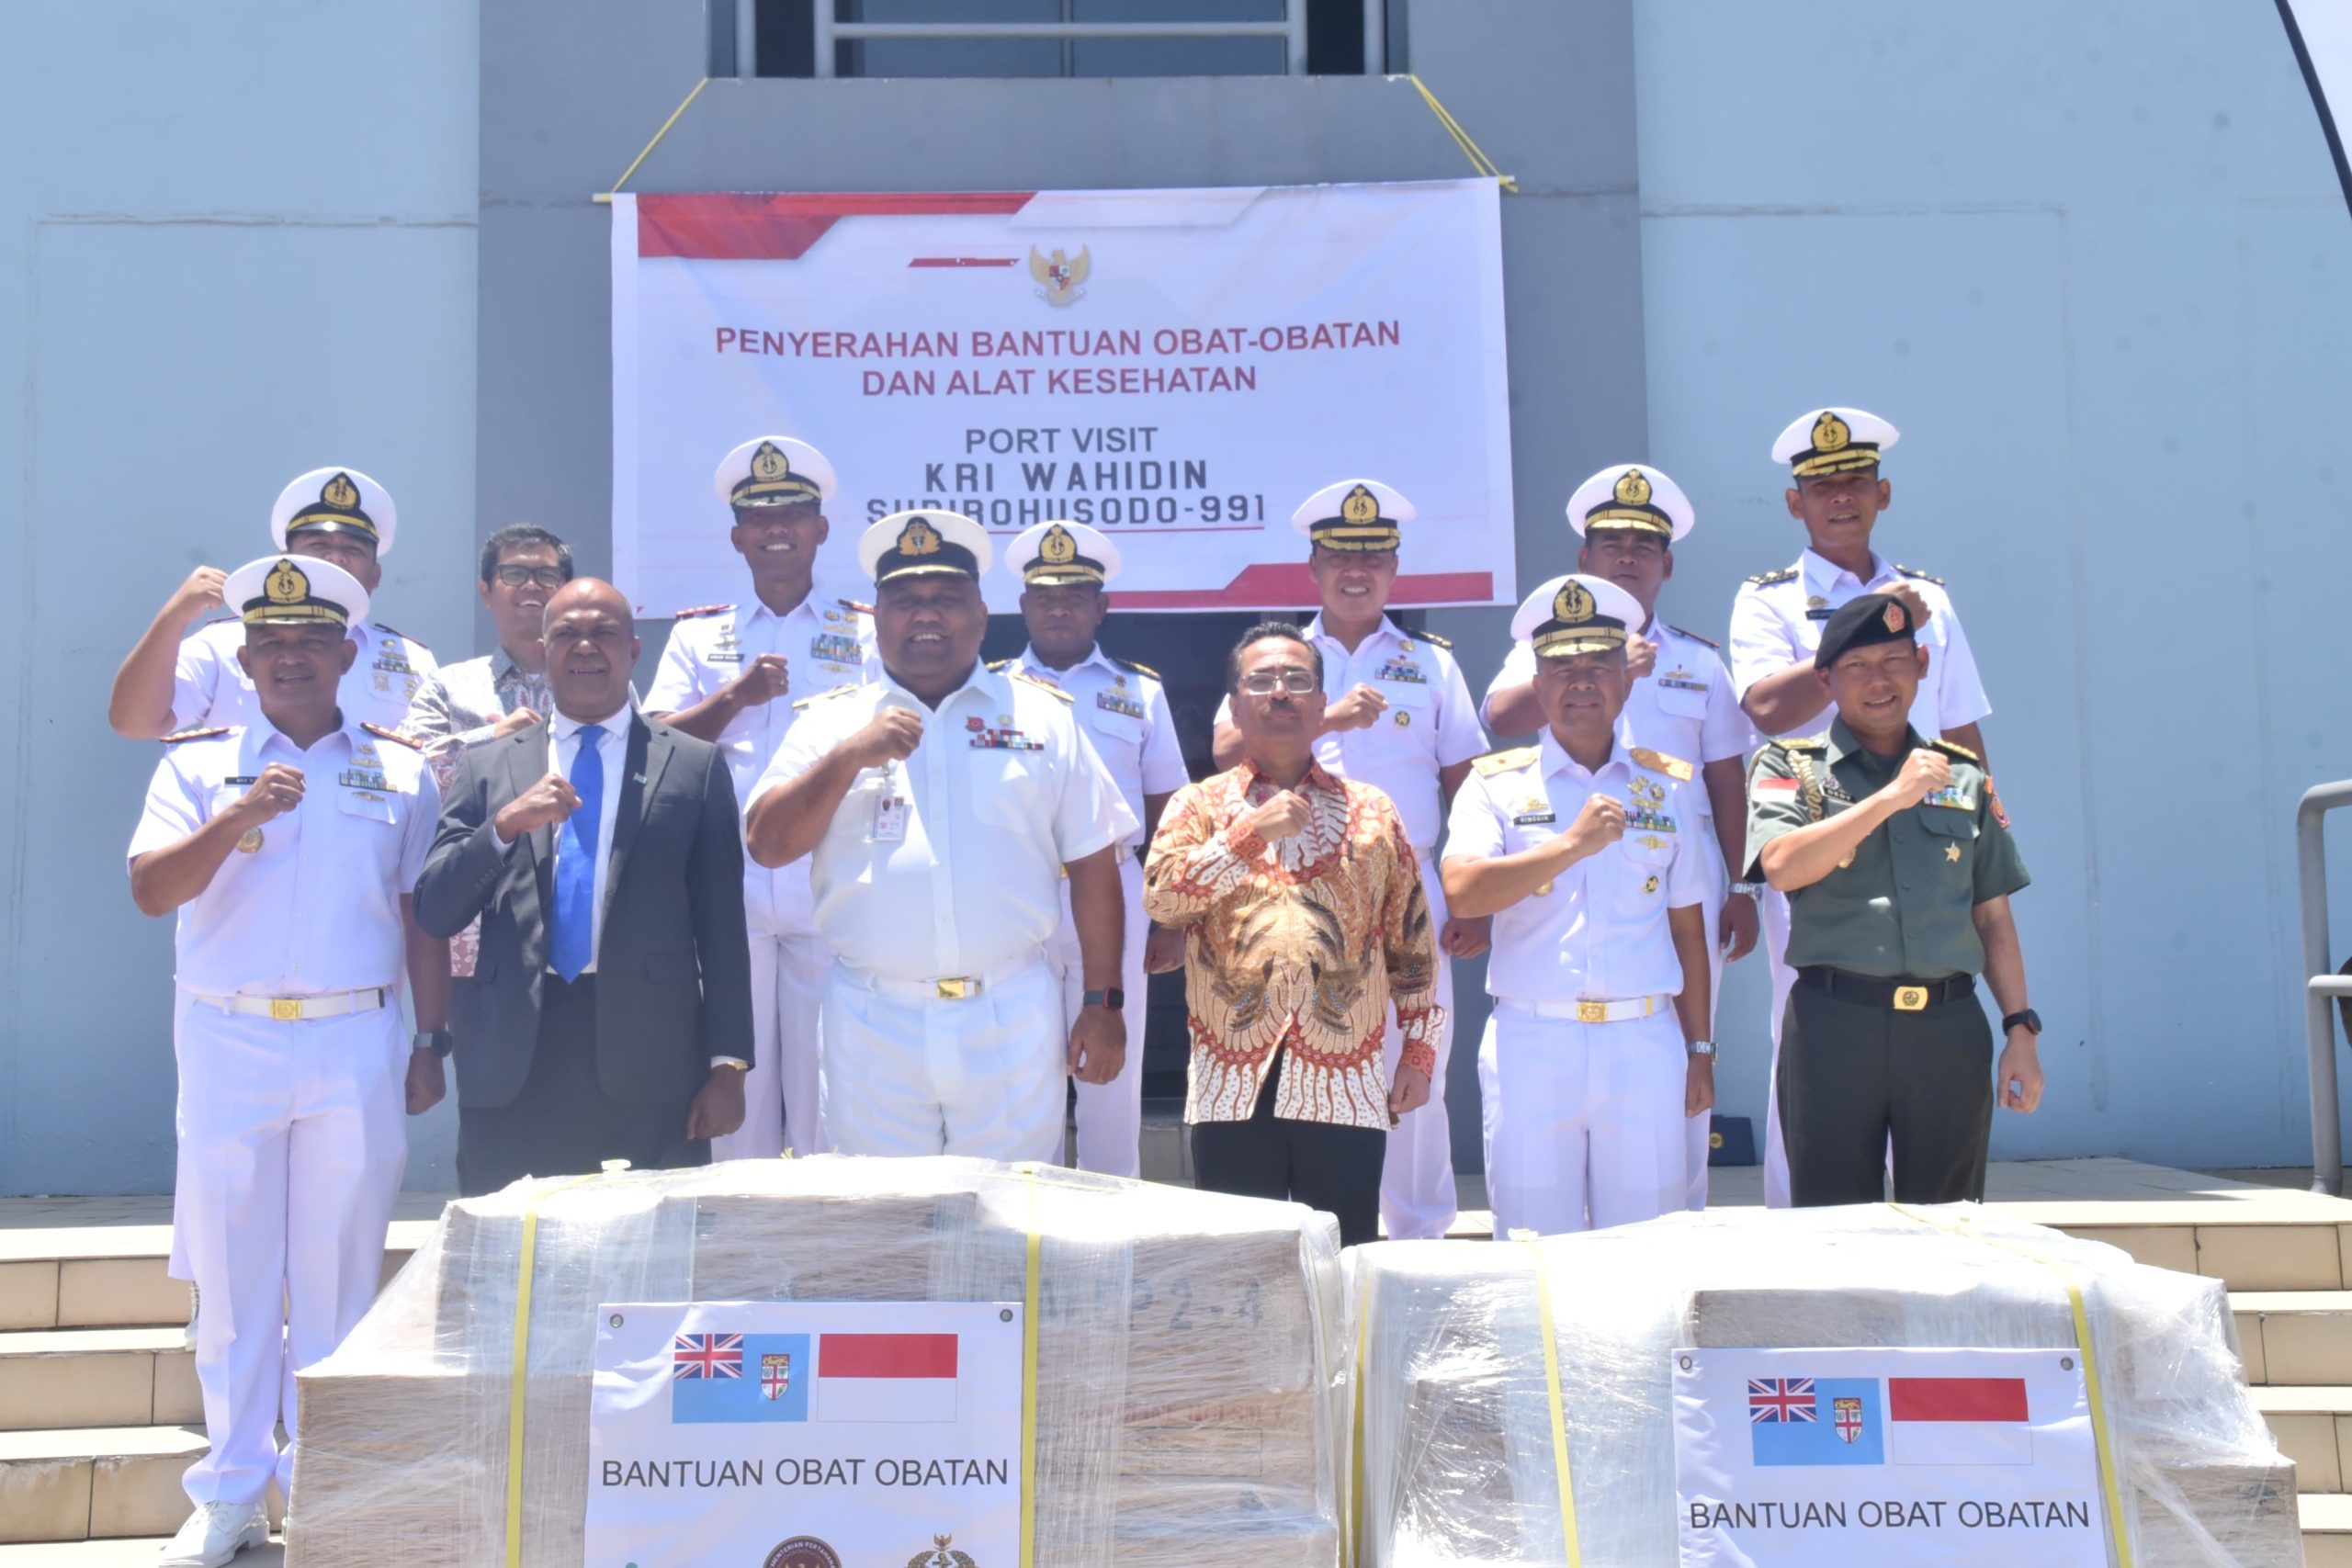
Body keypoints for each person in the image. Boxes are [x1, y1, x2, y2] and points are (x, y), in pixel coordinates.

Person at [127, 555, 448, 1567]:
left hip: (356, 1034)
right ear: (245, 658)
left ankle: (321, 1489)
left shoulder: (403, 769)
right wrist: (238, 817)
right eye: (270, 642)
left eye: (310, 641)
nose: (290, 657)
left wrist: (430, 1040)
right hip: (230, 1035)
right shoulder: (195, 764)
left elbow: (422, 918)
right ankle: (229, 1491)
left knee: (339, 1278)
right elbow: (151, 891)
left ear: (348, 653)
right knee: (232, 1280)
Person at [742, 511, 1134, 1160]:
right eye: (905, 601)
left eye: (946, 598)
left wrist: (1103, 1001)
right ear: (876, 619)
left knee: (1012, 1211)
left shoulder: (1041, 717)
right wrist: (847, 759)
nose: (926, 615)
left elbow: (1094, 863)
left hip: (1010, 1013)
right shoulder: (830, 724)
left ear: (980, 616)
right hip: (873, 1020)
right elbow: (767, 843)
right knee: (885, 1214)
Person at [1727, 408, 1995, 1207]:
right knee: (1810, 1034)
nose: (1839, 497)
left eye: (1854, 481)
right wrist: (1864, 635)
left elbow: (1960, 724)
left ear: (1883, 492)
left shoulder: (1931, 597)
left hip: (1931, 835)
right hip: (1823, 837)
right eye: (1821, 486)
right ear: (1794, 503)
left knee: (1934, 1026)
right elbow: (1766, 709)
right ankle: (1801, 1225)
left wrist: (1985, 821)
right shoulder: (1769, 599)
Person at [1207, 479, 1486, 1240]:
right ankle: (1314, 1230)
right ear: (1313, 567)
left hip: (1404, 881)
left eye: (1372, 557)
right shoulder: (1281, 657)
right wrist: (1322, 715)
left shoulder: (1431, 663)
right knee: (1295, 1052)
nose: (1355, 571)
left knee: (1415, 1054)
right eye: (1338, 557)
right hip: (1286, 884)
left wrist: (1471, 903)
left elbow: (1467, 781)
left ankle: (1418, 1238)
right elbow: (1223, 750)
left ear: (1394, 568)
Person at [413, 579, 753, 1194]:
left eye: (604, 633)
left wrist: (728, 1065)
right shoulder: (488, 765)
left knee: (645, 1244)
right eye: (567, 633)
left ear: (633, 650)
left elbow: (723, 928)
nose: (586, 646)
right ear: (543, 650)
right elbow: (436, 909)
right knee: (510, 1244)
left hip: (649, 1058)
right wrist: (504, 827)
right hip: (514, 1056)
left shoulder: (693, 765)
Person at [1480, 464, 1758, 1209]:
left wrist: (1741, 884)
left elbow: (1726, 779)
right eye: (1612, 543)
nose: (1628, 556)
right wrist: (1606, 664)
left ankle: (1677, 1211)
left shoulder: (1698, 660)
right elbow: (1499, 717)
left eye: (1644, 545)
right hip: (1562, 866)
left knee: (1677, 1061)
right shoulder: (1541, 643)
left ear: (1667, 564)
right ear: (1585, 557)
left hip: (1672, 873)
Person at [1149, 623, 1442, 1247]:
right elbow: (1163, 899)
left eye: (1297, 680)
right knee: (1242, 1265)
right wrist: (1248, 834)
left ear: (1321, 703)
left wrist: (1419, 1052)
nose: (1280, 692)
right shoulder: (1196, 806)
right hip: (1232, 1081)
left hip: (1346, 1080)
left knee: (1345, 1255)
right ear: (1235, 707)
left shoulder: (1373, 809)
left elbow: (1411, 942)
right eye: (1261, 681)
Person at [1745, 592, 2041, 1205]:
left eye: (1894, 661)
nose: (1878, 681)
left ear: (1922, 665)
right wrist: (1890, 798)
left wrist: (2021, 1029)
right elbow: (1781, 866)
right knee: (1834, 1225)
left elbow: (1993, 916)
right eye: (1856, 666)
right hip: (1834, 1026)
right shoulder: (1790, 765)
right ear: (1826, 680)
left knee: (1951, 1224)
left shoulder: (1961, 774)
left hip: (1947, 1030)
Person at [1442, 575, 1714, 1235]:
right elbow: (1464, 890)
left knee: (1648, 1243)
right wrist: (1570, 845)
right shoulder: (1495, 785)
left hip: (1644, 1038)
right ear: (1537, 687)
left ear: (1626, 681)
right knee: (1533, 1244)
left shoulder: (1667, 785)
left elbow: (1687, 926)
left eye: (1598, 666)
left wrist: (1701, 1048)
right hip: (1533, 1040)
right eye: (1563, 669)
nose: (1581, 682)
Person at [646, 437, 876, 1163]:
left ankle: (825, 1233)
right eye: (759, 516)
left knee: (828, 1096)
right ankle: (737, 1235)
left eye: (793, 513)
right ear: (737, 536)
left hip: (828, 885)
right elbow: (654, 746)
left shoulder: (865, 632)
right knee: (731, 1093)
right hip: (728, 892)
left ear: (821, 528)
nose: (777, 528)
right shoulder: (698, 635)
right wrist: (734, 698)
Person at [998, 520, 1190, 1177]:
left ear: (1101, 607)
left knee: (1113, 1069)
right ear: (1023, 606)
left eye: (1075, 596)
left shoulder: (1140, 692)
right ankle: (1030, 1213)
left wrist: (1170, 917)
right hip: (1018, 889)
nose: (1059, 608)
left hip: (1116, 887)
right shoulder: (991, 690)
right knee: (1022, 1064)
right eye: (1045, 596)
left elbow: (1170, 811)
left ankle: (1113, 1213)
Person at [110, 466, 438, 740]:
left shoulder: (412, 662)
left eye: (352, 549)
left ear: (376, 575)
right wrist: (173, 618)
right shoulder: (224, 644)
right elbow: (134, 723)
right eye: (318, 544)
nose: (335, 557)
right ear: (285, 560)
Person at [400, 525, 573, 1006]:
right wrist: (490, 740)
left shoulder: (598, 679)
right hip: (480, 917)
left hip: (578, 910)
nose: (531, 585)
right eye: (514, 573)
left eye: (546, 574)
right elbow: (407, 768)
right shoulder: (450, 685)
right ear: (485, 590)